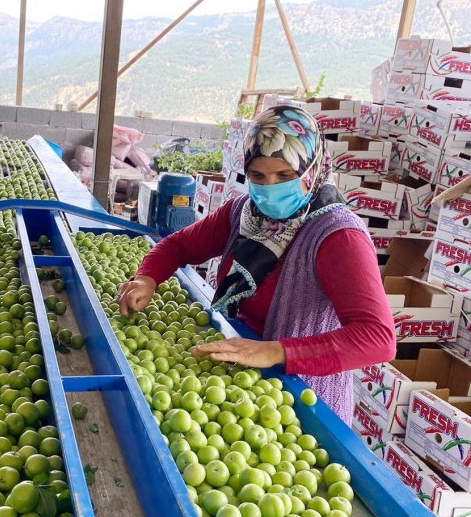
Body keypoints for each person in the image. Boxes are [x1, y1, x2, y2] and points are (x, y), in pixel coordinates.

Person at [117, 104, 396, 425]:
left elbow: (377, 338)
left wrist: (278, 351)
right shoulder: (243, 213)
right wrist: (147, 278)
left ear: (313, 170)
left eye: (285, 176)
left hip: (301, 402)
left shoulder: (336, 235)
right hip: (237, 378)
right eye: (258, 176)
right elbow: (179, 245)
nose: (269, 187)